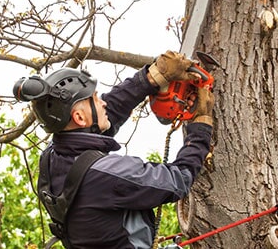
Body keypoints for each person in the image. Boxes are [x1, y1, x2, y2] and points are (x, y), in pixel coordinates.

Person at [13, 50, 215, 249]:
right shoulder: (108, 174)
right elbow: (176, 180)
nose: (103, 103)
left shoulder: (52, 158)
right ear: (79, 118)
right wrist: (200, 127)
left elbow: (109, 112)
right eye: (95, 98)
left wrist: (150, 78)